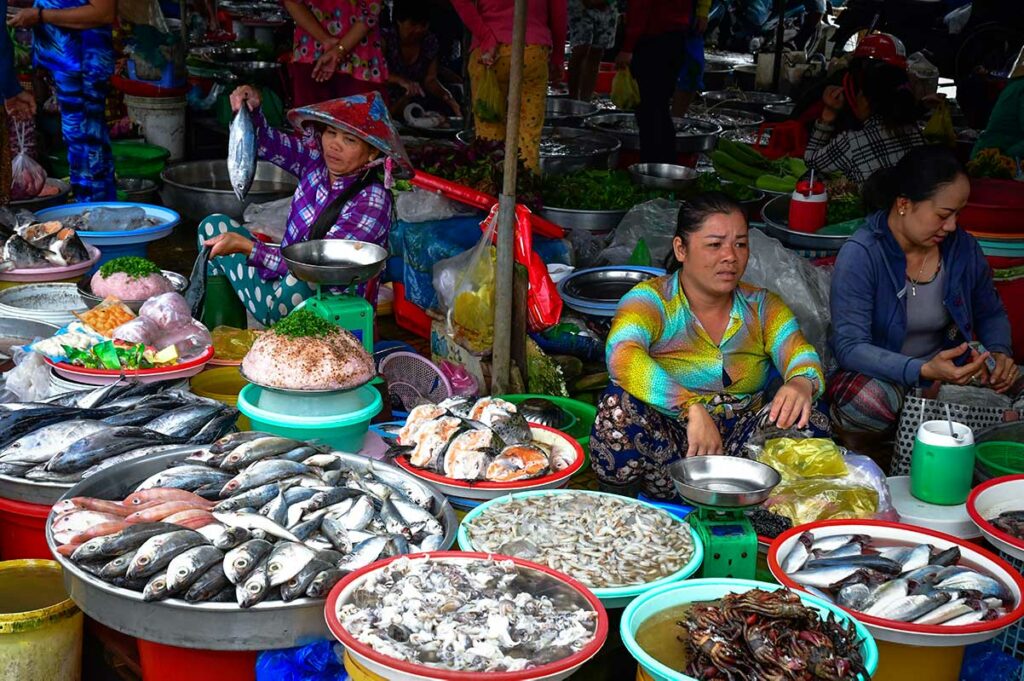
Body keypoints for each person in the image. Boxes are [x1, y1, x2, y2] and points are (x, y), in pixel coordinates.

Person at [591, 193, 828, 499]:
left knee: (810, 414)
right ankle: (618, 512)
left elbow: (798, 352)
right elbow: (622, 356)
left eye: (740, 244)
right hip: (671, 453)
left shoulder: (763, 306)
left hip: (746, 458)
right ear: (681, 249)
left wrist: (800, 381)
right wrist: (690, 408)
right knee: (618, 408)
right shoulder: (650, 301)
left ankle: (769, 516)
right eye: (715, 245)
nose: (730, 256)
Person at [829, 145, 1021, 456]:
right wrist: (923, 370)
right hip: (886, 374)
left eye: (958, 214)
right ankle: (909, 443)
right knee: (866, 402)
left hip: (950, 371)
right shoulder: (862, 254)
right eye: (943, 215)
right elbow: (851, 347)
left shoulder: (962, 248)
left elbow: (991, 311)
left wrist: (999, 354)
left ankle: (938, 428)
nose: (952, 226)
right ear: (904, 204)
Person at [198, 88, 410, 326]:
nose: (334, 145)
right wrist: (252, 110)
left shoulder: (372, 200)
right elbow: (267, 143)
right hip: (286, 274)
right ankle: (225, 334)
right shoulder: (315, 163)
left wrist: (249, 247)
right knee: (212, 228)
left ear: (372, 153)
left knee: (302, 277)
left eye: (349, 140)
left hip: (328, 303)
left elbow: (324, 267)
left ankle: (274, 321)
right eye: (331, 133)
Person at [9, 0, 115, 202]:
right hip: (64, 63)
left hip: (83, 63)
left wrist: (40, 16)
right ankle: (90, 209)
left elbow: (103, 13)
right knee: (77, 141)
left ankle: (96, 213)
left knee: (88, 142)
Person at [451, 0, 567, 174]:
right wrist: (558, 56)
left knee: (489, 129)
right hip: (532, 52)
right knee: (528, 131)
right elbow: (559, 12)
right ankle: (526, 186)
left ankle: (492, 188)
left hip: (489, 52)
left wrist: (485, 36)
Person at [804, 57, 925, 184]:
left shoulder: (853, 141)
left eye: (860, 93)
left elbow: (812, 162)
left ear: (868, 101)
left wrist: (828, 114)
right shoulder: (916, 131)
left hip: (874, 203)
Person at [614, 0, 692, 164]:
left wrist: (628, 47)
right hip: (676, 39)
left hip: (653, 40)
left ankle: (650, 166)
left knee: (649, 110)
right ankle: (666, 164)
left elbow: (641, 7)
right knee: (660, 107)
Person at [283, 0, 386, 107]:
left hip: (312, 53)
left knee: (311, 119)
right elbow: (370, 11)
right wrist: (338, 49)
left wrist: (328, 42)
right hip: (359, 60)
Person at [382, 0, 461, 120]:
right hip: (386, 101)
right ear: (399, 21)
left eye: (423, 25)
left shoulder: (430, 41)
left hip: (417, 103)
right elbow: (375, 73)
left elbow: (430, 80)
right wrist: (401, 81)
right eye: (413, 24)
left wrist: (448, 97)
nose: (419, 30)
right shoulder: (385, 40)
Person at [971, 45, 1024, 160]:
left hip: (990, 159)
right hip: (994, 163)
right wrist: (1005, 158)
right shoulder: (1021, 87)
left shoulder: (1016, 85)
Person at [566, 0, 617, 102]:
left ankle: (586, 100)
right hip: (579, 5)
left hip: (608, 6)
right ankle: (573, 99)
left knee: (597, 52)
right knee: (580, 49)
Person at [671, 0, 709, 117]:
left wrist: (703, 11)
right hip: (661, 19)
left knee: (693, 72)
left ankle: (676, 120)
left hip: (689, 19)